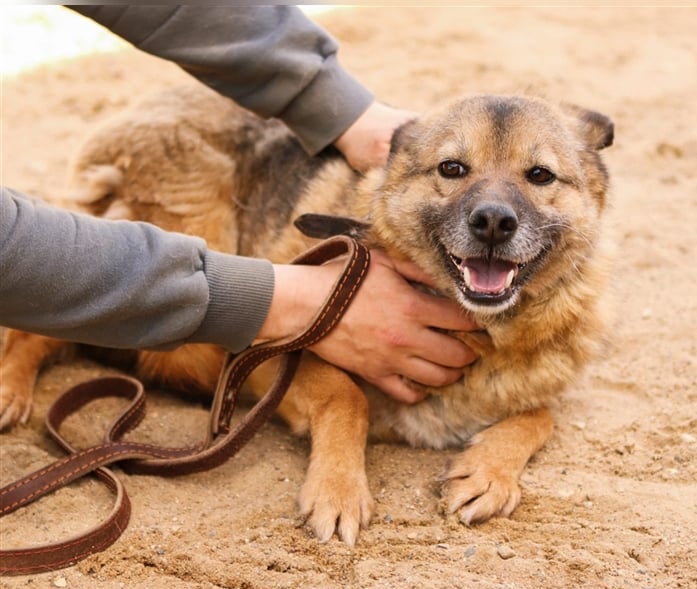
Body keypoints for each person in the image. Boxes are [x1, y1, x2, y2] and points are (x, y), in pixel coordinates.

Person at [0, 6, 478, 405]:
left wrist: (340, 107)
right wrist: (287, 302)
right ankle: (37, 342)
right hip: (179, 147)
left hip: (232, 130)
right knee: (191, 365)